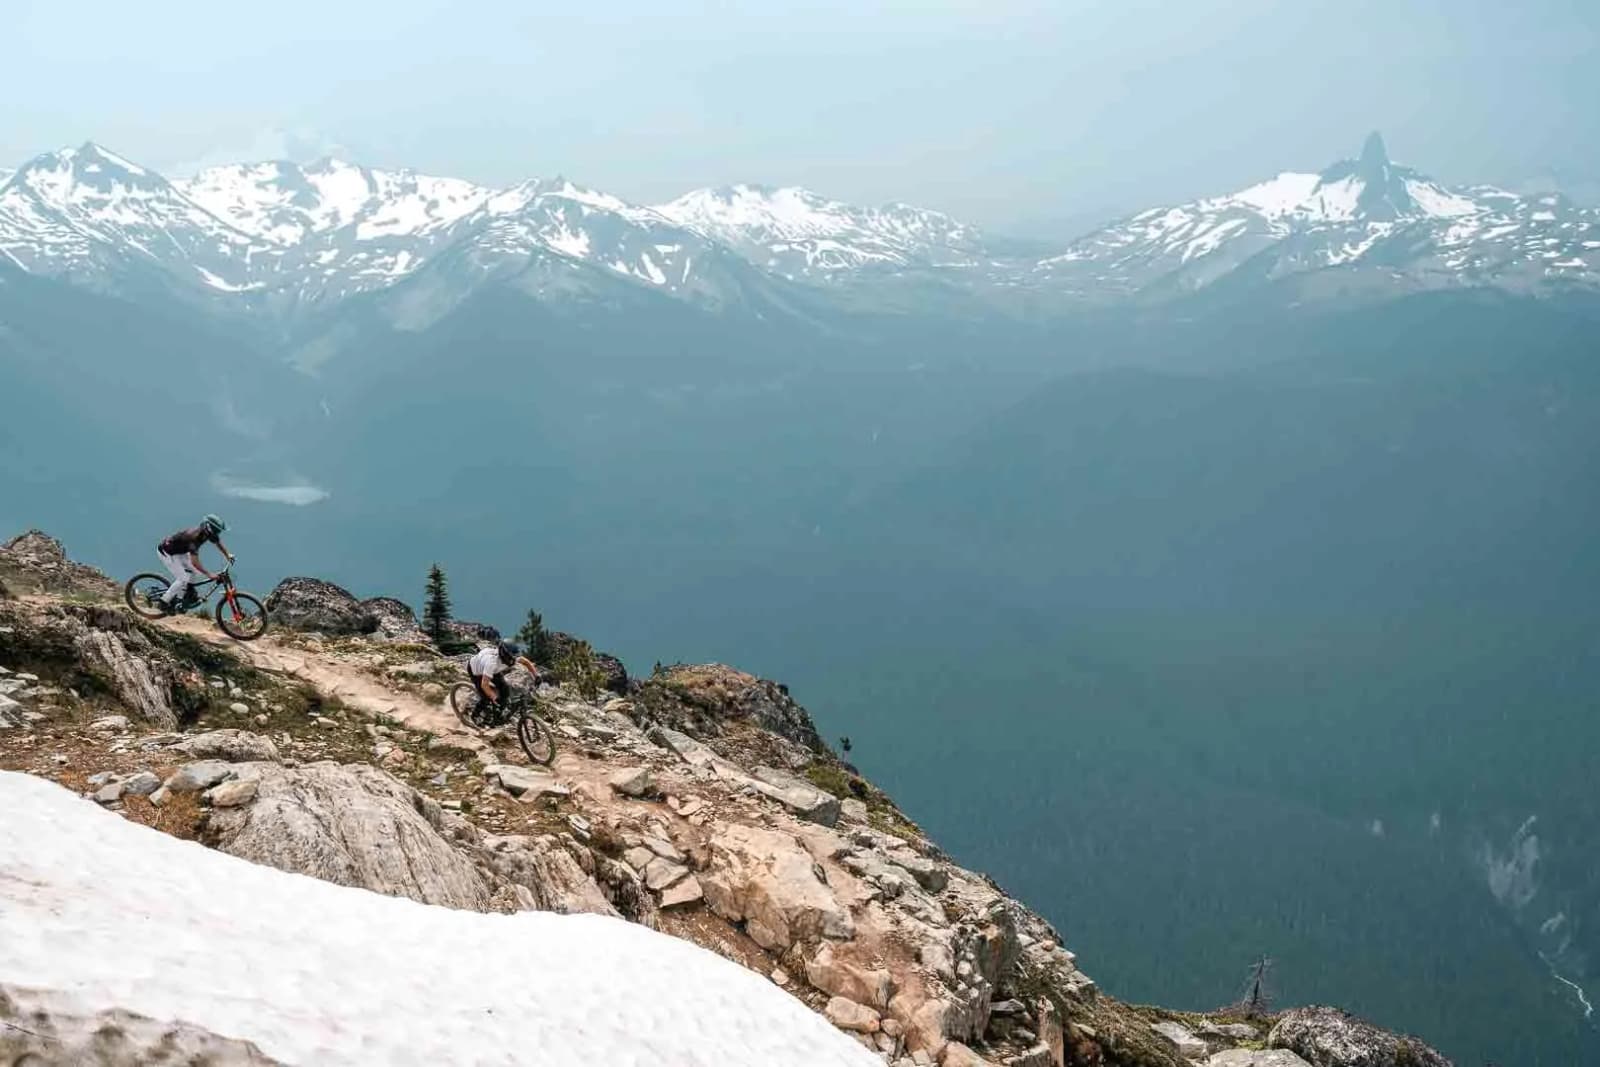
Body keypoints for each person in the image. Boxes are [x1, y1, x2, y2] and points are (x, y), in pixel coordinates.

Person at [156, 514, 233, 613]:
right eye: (217, 530)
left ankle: (188, 593)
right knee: (183, 578)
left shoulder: (208, 532)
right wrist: (209, 574)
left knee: (195, 572)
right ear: (209, 529)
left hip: (180, 551)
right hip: (167, 552)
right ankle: (163, 602)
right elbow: (194, 562)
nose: (218, 533)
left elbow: (218, 543)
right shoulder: (194, 537)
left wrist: (227, 555)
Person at [467, 640, 541, 722]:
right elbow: (484, 685)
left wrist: (536, 675)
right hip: (476, 671)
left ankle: (498, 714)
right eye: (510, 658)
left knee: (505, 689)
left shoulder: (511, 656)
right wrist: (494, 697)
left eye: (513, 658)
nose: (512, 661)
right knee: (486, 698)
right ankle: (475, 716)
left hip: (494, 670)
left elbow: (526, 662)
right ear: (503, 654)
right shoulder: (492, 662)